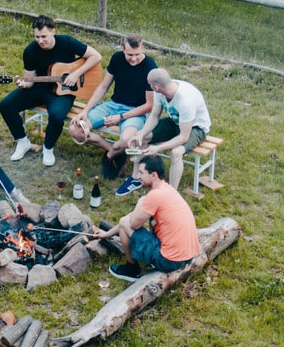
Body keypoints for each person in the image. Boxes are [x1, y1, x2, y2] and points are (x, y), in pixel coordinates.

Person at [0, 15, 102, 168]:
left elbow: (96, 56)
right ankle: (22, 142)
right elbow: (29, 80)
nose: (40, 41)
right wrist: (23, 84)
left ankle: (48, 148)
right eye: (37, 37)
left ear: (53, 31)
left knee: (56, 115)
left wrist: (75, 74)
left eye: (44, 36)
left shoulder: (67, 42)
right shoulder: (30, 51)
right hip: (38, 89)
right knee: (5, 105)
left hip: (63, 92)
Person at [93, 154, 200, 282]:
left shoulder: (154, 196)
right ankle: (142, 260)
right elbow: (132, 218)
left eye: (141, 172)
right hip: (188, 255)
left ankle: (131, 269)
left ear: (153, 175)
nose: (138, 176)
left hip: (170, 261)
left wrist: (141, 201)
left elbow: (131, 224)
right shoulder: (167, 189)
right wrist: (107, 234)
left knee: (125, 222)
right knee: (127, 221)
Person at [67, 35, 157, 179]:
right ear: (123, 50)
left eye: (137, 54)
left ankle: (109, 157)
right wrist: (85, 110)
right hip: (112, 105)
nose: (133, 59)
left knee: (128, 140)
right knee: (75, 130)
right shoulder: (117, 58)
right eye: (129, 55)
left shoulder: (150, 67)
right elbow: (103, 87)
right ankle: (116, 151)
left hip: (135, 112)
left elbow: (149, 105)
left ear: (142, 49)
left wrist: (120, 117)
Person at [116, 68, 211, 196]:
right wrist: (140, 134)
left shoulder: (185, 100)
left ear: (155, 86)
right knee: (142, 138)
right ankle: (136, 178)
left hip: (196, 127)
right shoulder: (160, 90)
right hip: (175, 121)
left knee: (176, 152)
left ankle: (171, 193)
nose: (149, 87)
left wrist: (157, 148)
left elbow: (183, 136)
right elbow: (154, 115)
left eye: (150, 85)